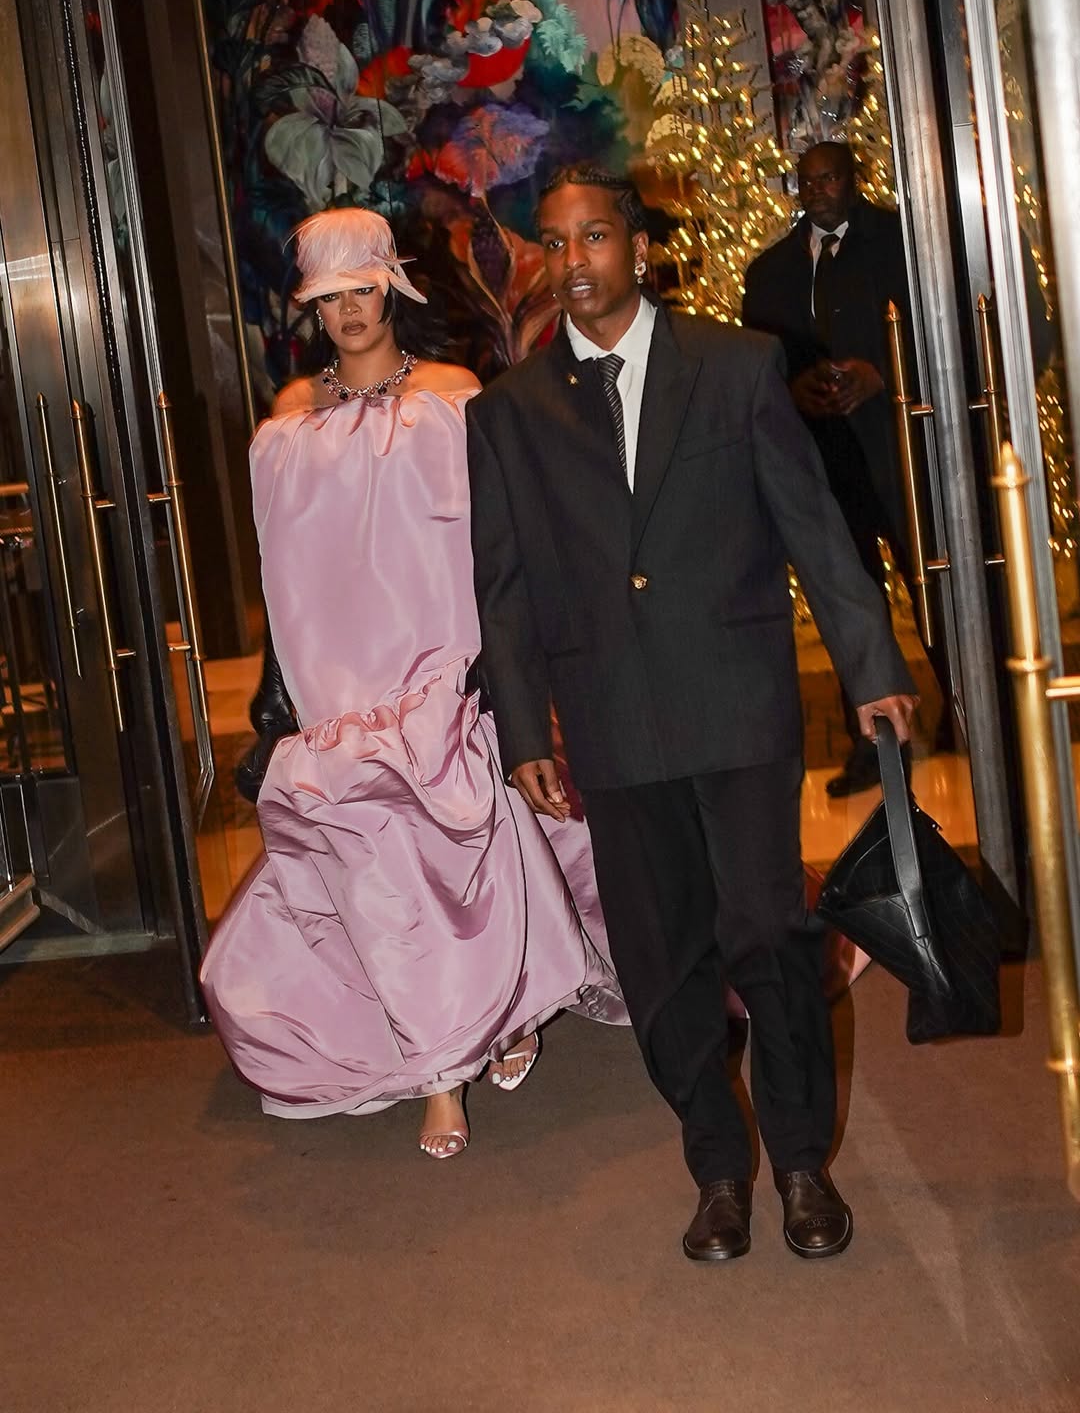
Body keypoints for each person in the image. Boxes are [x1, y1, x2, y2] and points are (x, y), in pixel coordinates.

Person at [467, 163, 917, 1262]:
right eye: (557, 243)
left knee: (768, 931)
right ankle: (718, 1168)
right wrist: (523, 729)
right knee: (661, 958)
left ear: (638, 246)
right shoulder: (509, 413)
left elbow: (813, 527)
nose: (575, 263)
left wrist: (871, 666)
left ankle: (804, 1163)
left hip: (738, 702)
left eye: (597, 238)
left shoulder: (736, 364)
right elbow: (506, 582)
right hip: (614, 719)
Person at [201, 207, 625, 1160]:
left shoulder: (453, 394)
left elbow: (499, 540)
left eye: (363, 288)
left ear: (392, 288)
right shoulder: (286, 422)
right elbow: (286, 572)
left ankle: (473, 1041)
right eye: (329, 297)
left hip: (445, 666)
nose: (349, 311)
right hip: (341, 688)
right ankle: (454, 1054)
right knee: (383, 870)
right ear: (311, 310)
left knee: (470, 842)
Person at [743, 140, 949, 796]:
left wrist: (884, 375)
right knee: (849, 603)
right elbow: (759, 366)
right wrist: (792, 390)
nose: (817, 190)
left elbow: (941, 333)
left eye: (828, 178)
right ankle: (874, 747)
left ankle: (970, 712)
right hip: (822, 463)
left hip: (901, 454)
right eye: (806, 181)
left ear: (853, 178)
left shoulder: (903, 243)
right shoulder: (771, 269)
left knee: (933, 591)